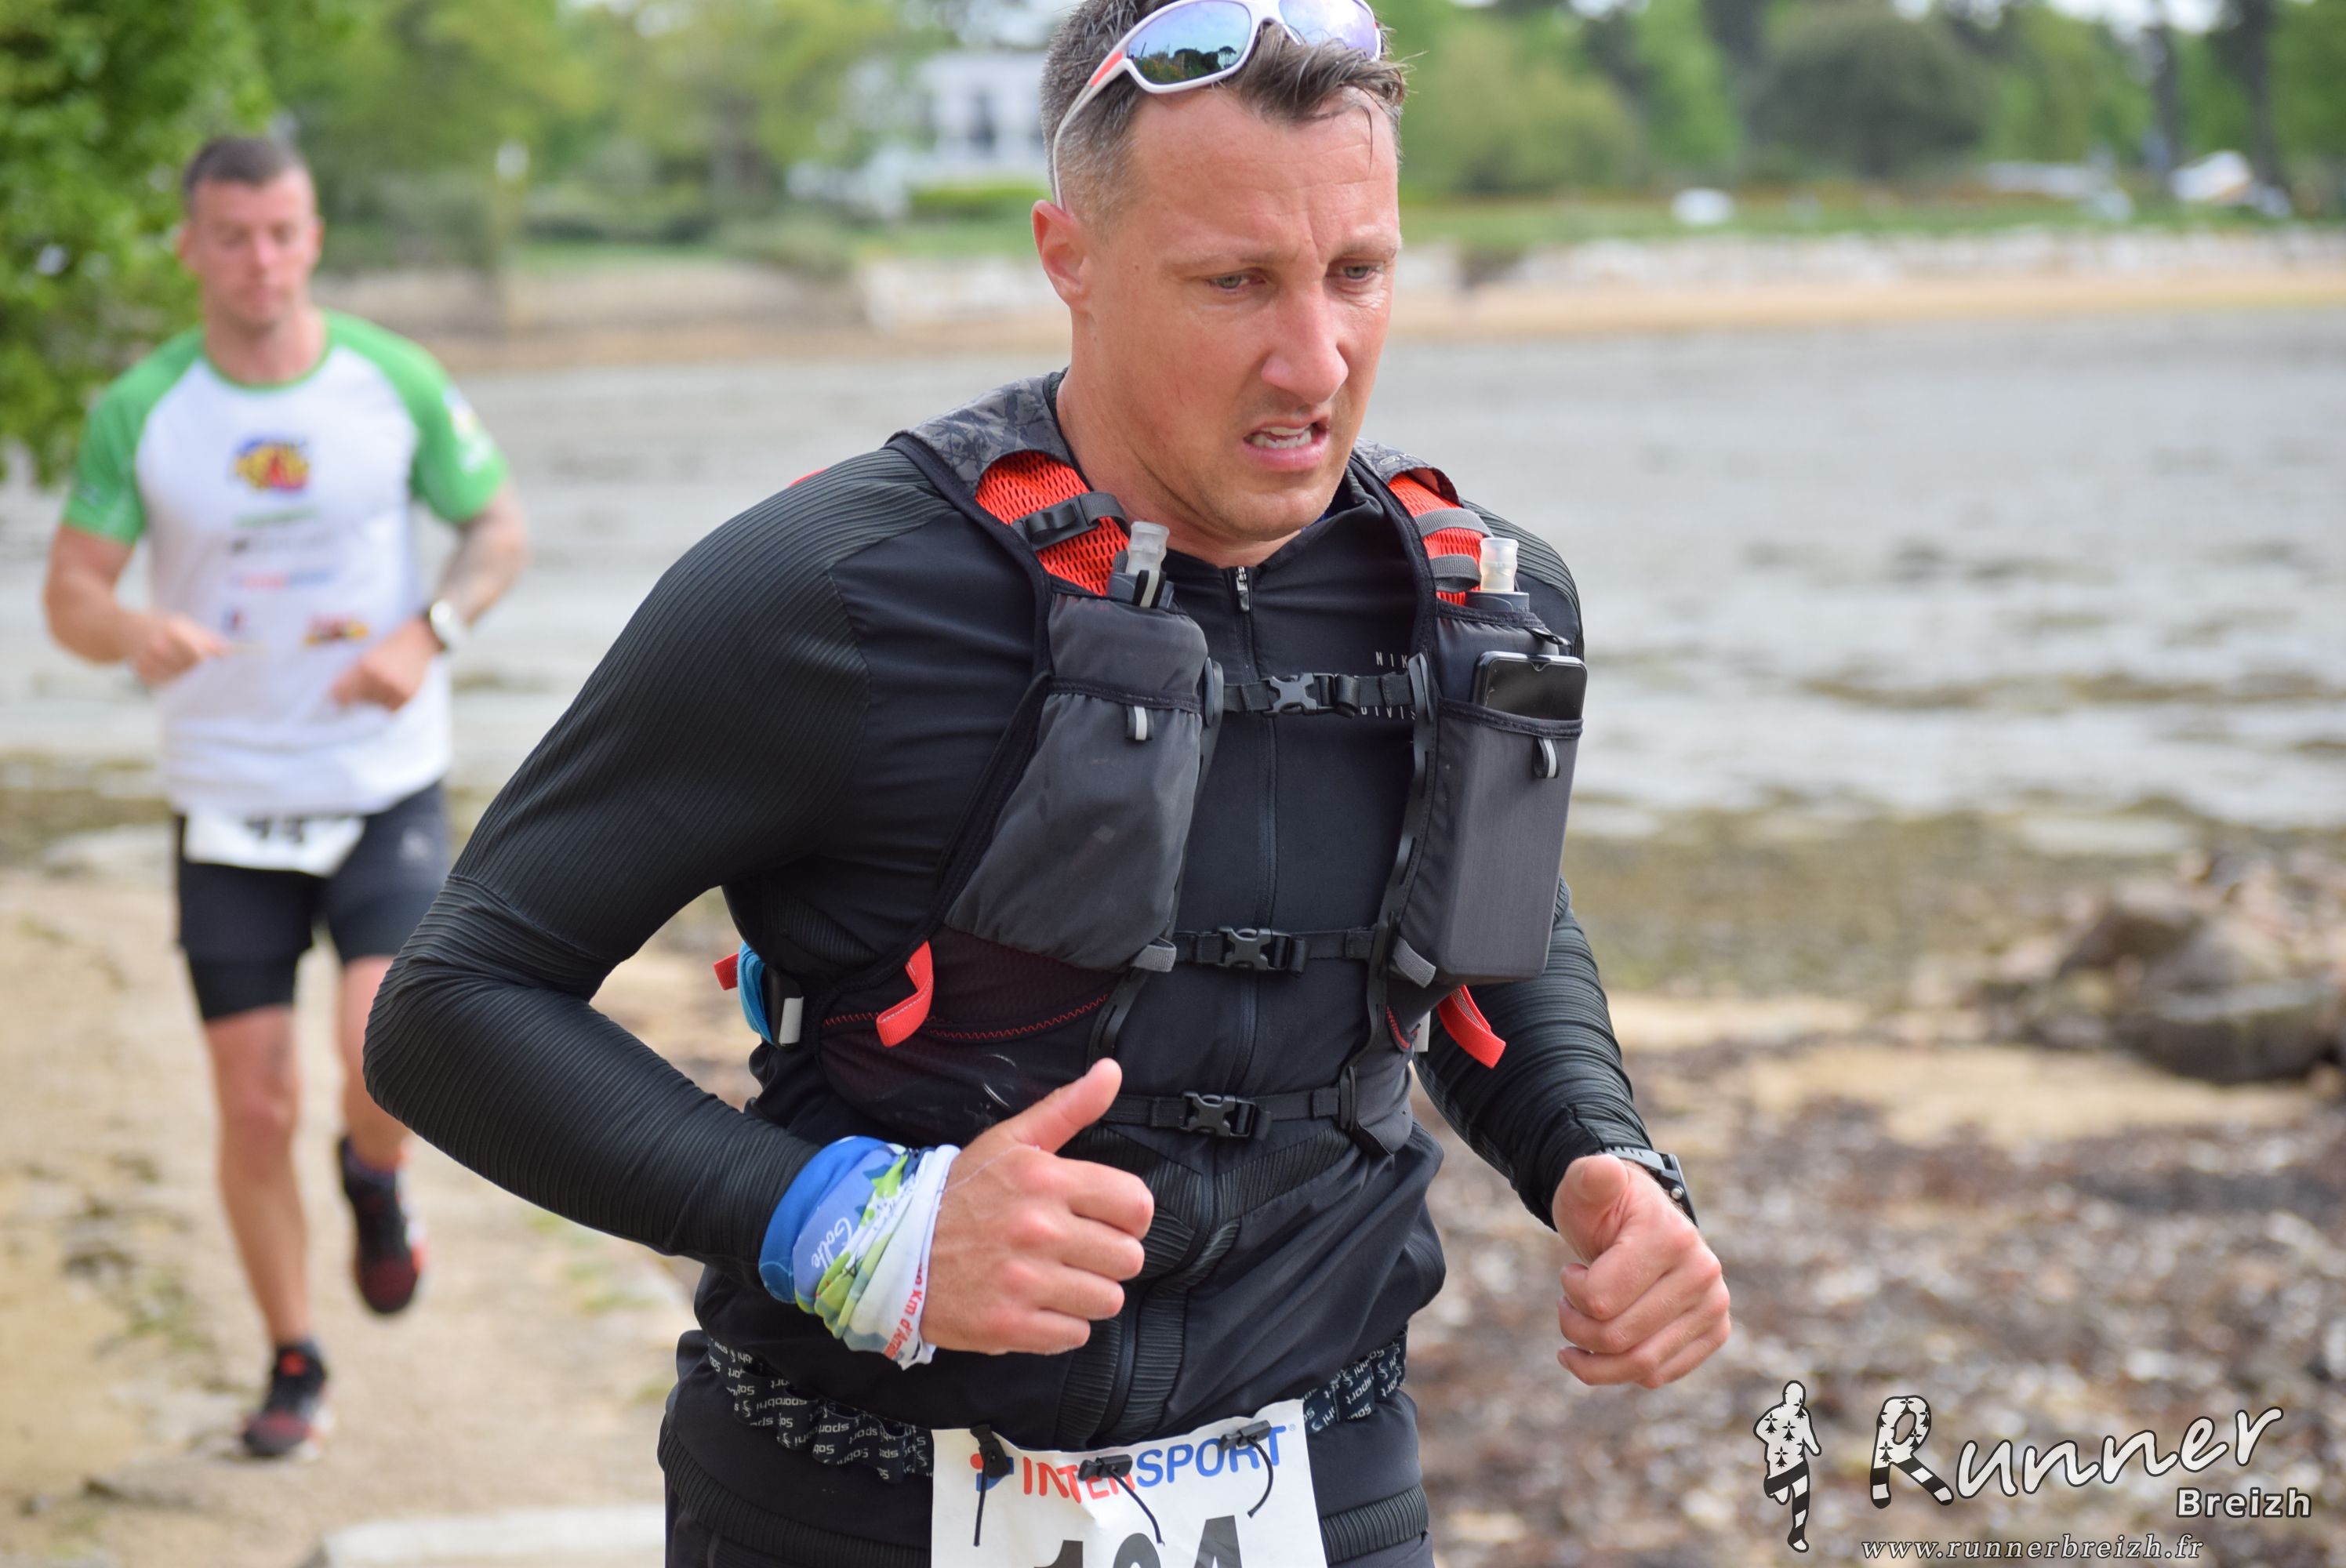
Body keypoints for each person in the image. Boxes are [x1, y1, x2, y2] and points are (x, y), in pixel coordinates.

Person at [367, 0, 1727, 1560]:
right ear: (1067, 255)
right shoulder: (830, 592)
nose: (1316, 359)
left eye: (1358, 272)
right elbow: (451, 1007)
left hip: (1327, 1483)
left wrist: (1597, 1151)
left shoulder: (1478, 598)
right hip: (849, 1496)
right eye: (1234, 282)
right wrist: (850, 1227)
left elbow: (1491, 922)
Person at [40, 135, 530, 1459]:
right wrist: (127, 629)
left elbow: (498, 530)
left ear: (311, 237)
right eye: (233, 236)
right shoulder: (144, 408)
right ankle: (293, 1359)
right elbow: (71, 592)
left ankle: (374, 1173)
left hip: (378, 781)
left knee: (384, 1056)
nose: (260, 260)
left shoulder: (392, 382)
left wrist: (428, 630)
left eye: (281, 233)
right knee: (253, 1102)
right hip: (224, 798)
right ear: (191, 247)